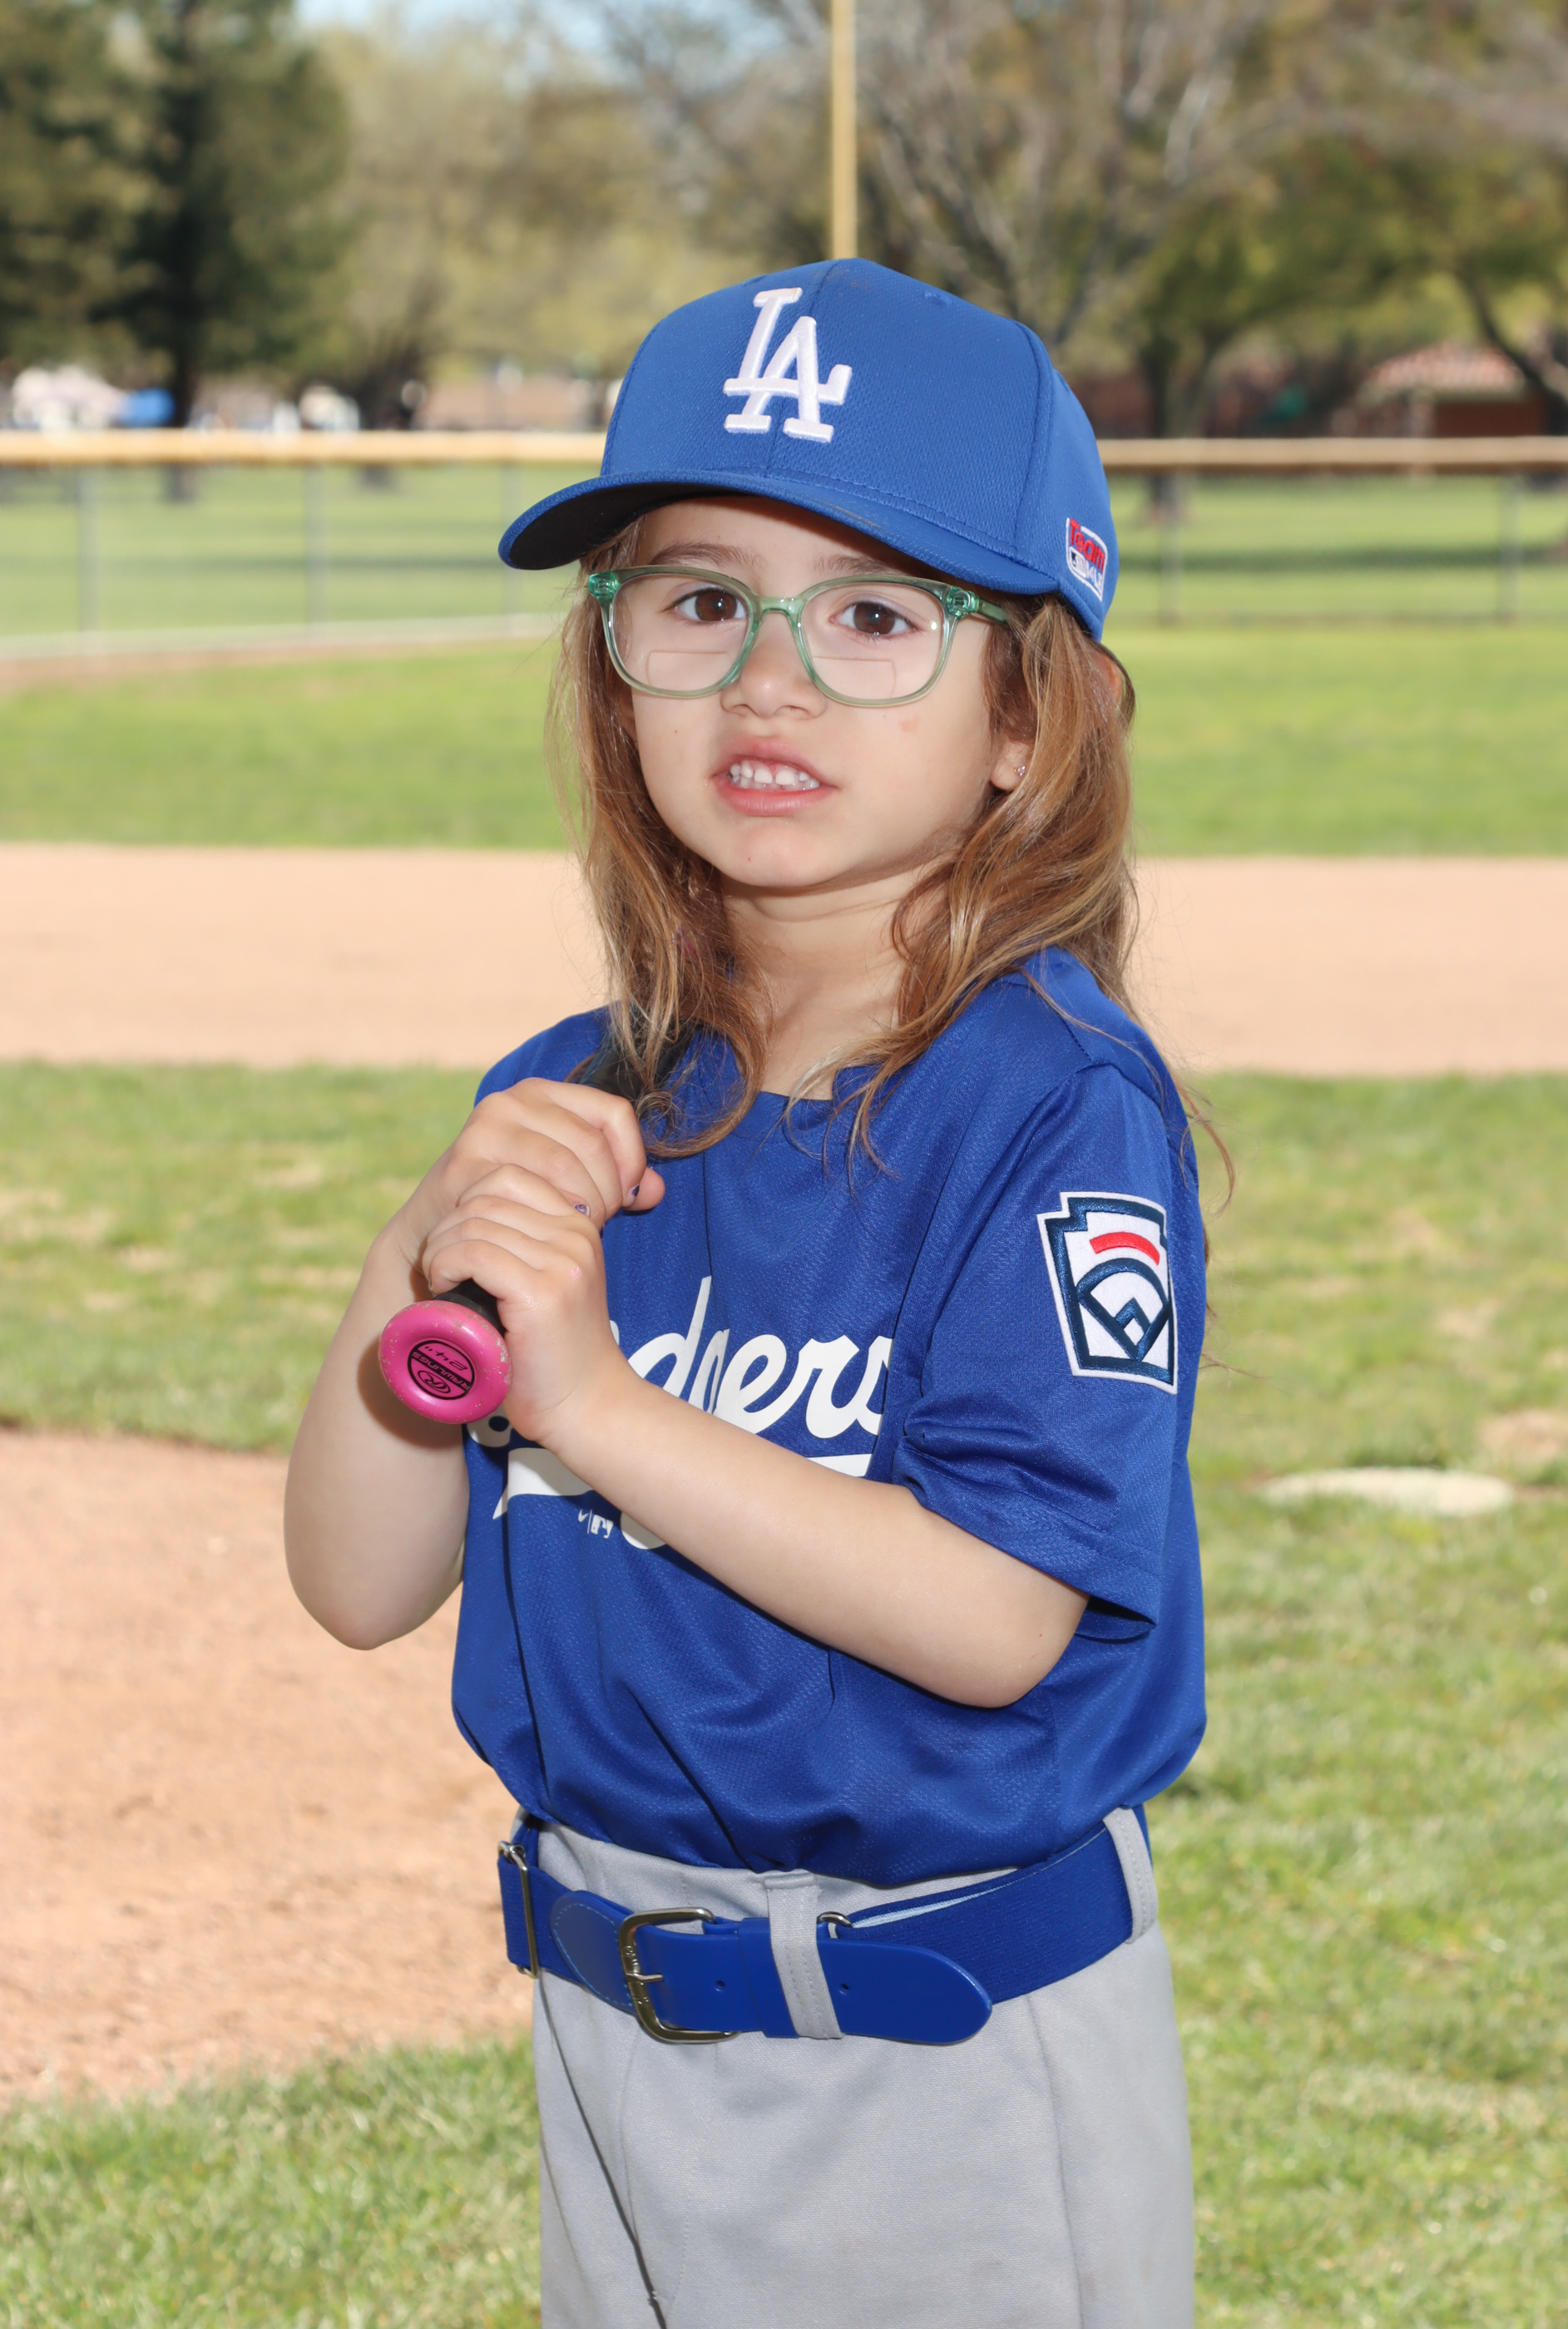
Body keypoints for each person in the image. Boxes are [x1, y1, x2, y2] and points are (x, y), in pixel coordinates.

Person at [285, 258, 1207, 2329]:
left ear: (1024, 717)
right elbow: (354, 1579)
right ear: (614, 662)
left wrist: (590, 1400)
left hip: (939, 2047)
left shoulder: (1050, 1107)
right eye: (698, 600)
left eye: (873, 616)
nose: (766, 682)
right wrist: (425, 1239)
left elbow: (995, 1616)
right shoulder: (584, 1090)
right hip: (615, 2028)